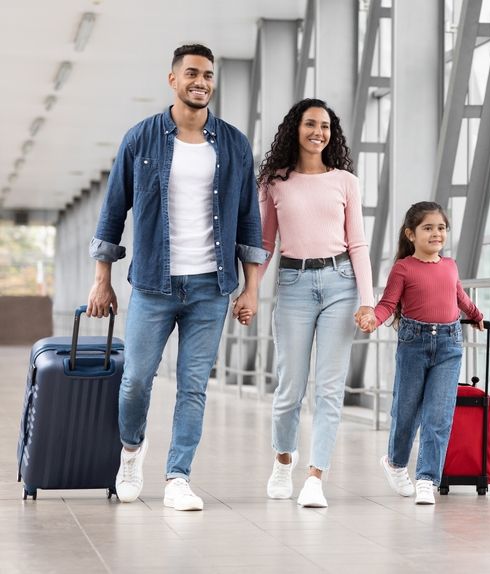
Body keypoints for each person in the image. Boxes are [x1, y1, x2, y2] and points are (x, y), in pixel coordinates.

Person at [87, 44, 267, 511]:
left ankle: (177, 476)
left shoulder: (232, 143)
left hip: (211, 286)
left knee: (193, 385)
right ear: (172, 79)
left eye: (208, 74)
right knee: (137, 380)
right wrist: (101, 278)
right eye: (191, 73)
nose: (201, 81)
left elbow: (249, 220)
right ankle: (131, 451)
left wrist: (251, 288)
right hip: (152, 283)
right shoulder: (140, 138)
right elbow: (112, 212)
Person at [256, 98, 375, 508]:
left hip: (340, 284)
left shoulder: (345, 181)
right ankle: (283, 459)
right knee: (289, 387)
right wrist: (250, 289)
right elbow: (265, 243)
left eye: (325, 126)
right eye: (310, 124)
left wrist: (368, 301)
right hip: (292, 283)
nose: (318, 132)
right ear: (296, 128)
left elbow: (357, 243)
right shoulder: (275, 181)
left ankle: (315, 477)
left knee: (327, 389)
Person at [358, 201, 484, 505]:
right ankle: (395, 463)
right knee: (406, 411)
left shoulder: (450, 265)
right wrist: (373, 318)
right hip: (414, 345)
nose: (436, 233)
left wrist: (477, 315)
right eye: (428, 228)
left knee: (439, 415)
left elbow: (460, 296)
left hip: (449, 346)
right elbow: (389, 303)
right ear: (411, 234)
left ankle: (427, 478)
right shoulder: (403, 268)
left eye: (441, 228)